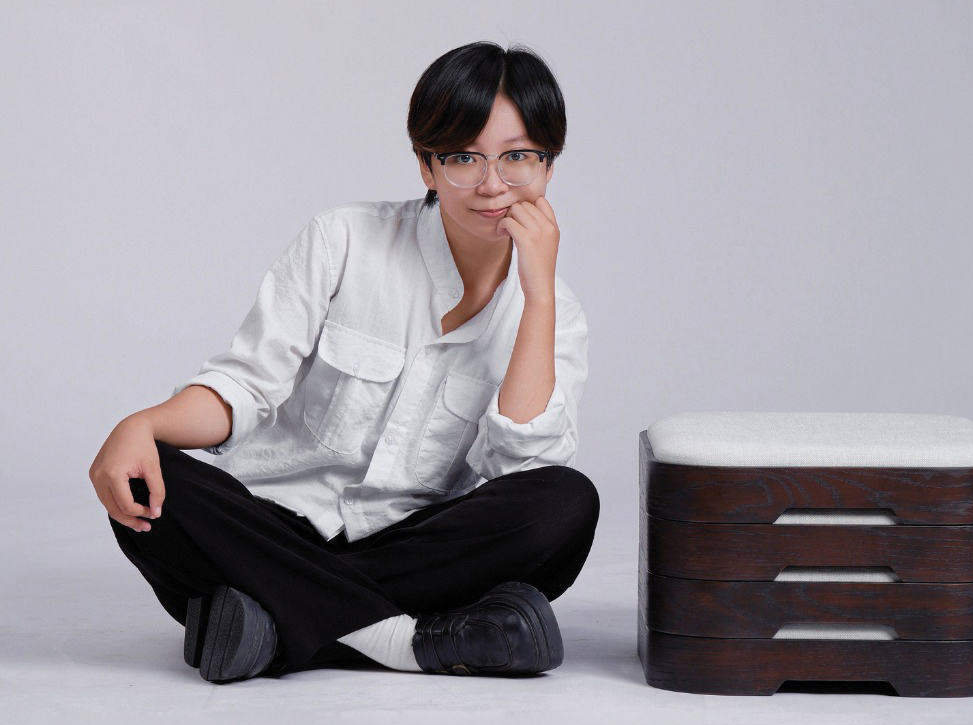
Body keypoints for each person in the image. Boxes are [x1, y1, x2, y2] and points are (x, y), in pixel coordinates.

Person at [88, 41, 599, 683]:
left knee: (564, 502)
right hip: (270, 522)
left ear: (549, 165)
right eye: (464, 157)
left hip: (411, 546)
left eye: (517, 157)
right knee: (147, 481)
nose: (493, 184)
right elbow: (246, 385)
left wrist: (538, 294)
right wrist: (142, 424)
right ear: (427, 166)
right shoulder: (345, 239)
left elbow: (519, 473)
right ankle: (406, 641)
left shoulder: (556, 313)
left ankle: (271, 628)